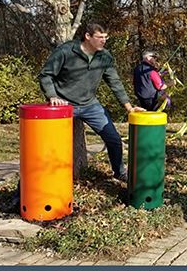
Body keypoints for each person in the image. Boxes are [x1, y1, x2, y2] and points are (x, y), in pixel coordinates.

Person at [39, 22, 144, 181]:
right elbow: (46, 75)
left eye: (105, 38)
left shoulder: (104, 57)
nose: (103, 41)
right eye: (99, 37)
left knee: (114, 139)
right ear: (87, 36)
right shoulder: (66, 51)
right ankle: (33, 185)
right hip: (64, 106)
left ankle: (119, 172)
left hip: (90, 105)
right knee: (49, 147)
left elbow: (114, 82)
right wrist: (52, 96)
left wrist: (129, 107)